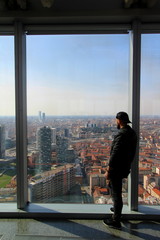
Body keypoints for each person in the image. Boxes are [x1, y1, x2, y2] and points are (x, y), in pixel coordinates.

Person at [103, 111, 137, 229]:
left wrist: (109, 169)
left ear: (120, 120)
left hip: (116, 168)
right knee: (115, 189)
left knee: (116, 192)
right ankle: (117, 208)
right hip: (125, 166)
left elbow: (115, 154)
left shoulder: (121, 134)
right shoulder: (132, 133)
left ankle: (115, 220)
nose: (116, 122)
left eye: (116, 120)